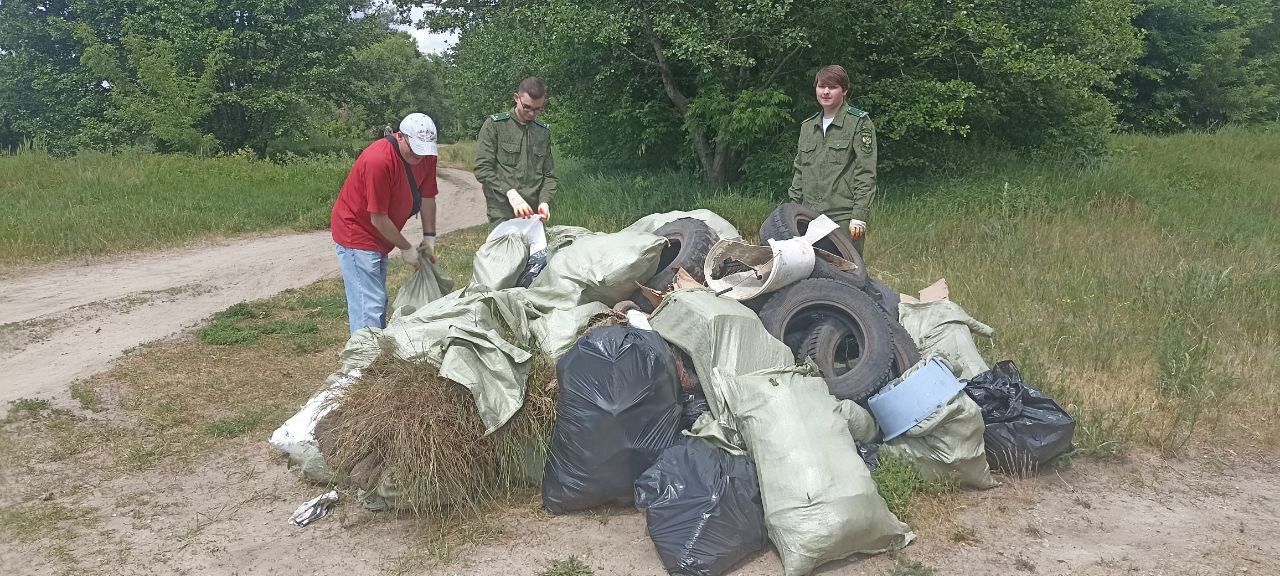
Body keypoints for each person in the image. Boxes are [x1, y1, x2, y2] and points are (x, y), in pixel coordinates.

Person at [330, 112, 439, 334]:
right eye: (415, 149)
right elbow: (377, 218)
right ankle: (361, 364)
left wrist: (430, 237)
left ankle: (376, 353)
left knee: (377, 298)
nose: (420, 156)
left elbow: (427, 197)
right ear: (400, 136)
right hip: (356, 231)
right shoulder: (378, 160)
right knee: (368, 303)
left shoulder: (427, 155)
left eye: (424, 151)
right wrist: (407, 248)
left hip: (382, 235)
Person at [787, 64, 877, 256]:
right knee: (810, 275)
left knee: (847, 273)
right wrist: (791, 209)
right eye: (821, 86)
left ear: (844, 90)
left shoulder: (859, 122)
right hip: (809, 215)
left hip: (842, 217)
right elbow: (799, 170)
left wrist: (859, 216)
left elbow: (866, 172)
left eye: (832, 87)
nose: (826, 92)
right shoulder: (808, 126)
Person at [474, 76, 557, 223]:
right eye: (527, 107)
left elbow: (549, 175)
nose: (532, 114)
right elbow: (483, 169)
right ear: (516, 98)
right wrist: (510, 193)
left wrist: (545, 202)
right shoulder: (495, 125)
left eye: (537, 109)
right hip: (501, 212)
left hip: (533, 214)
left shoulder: (543, 132)